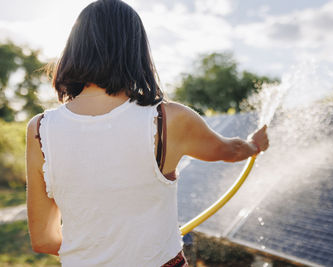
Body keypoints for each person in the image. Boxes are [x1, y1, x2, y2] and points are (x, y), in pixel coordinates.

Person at [25, 0, 269, 266]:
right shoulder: (168, 119)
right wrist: (253, 146)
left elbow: (44, 239)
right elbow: (230, 151)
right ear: (136, 50)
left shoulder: (40, 130)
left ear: (74, 49)